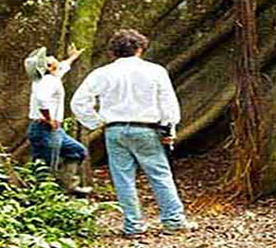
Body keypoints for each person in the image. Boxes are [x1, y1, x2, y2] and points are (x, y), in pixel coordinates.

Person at [71, 29, 195, 236]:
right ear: (140, 48)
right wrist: (170, 127)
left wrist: (96, 122)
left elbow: (79, 102)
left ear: (114, 51)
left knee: (123, 178)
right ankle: (173, 221)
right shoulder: (155, 71)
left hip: (114, 130)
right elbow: (168, 103)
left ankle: (133, 226)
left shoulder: (101, 73)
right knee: (160, 175)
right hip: (147, 129)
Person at [24, 45, 89, 194]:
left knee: (77, 151)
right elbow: (42, 100)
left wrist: (73, 57)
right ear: (48, 67)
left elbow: (62, 67)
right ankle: (43, 198)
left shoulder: (51, 77)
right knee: (46, 167)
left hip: (54, 130)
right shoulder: (48, 81)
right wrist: (49, 119)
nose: (53, 59)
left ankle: (67, 185)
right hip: (45, 128)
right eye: (50, 60)